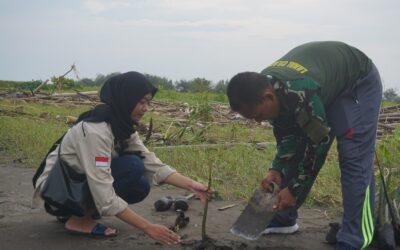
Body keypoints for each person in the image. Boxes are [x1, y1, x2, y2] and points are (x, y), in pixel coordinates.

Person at [227, 41, 382, 250]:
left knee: (353, 158)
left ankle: (355, 239)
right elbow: (287, 137)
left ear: (268, 97)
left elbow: (318, 144)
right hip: (323, 85)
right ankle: (283, 218)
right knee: (296, 150)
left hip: (355, 83)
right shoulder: (264, 86)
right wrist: (276, 169)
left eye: (258, 116)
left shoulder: (301, 93)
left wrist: (294, 189)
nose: (258, 121)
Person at [32, 71, 212, 244]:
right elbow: (104, 192)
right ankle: (78, 220)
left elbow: (151, 163)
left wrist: (193, 186)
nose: (145, 108)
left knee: (140, 185)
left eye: (148, 102)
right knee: (132, 167)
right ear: (126, 98)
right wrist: (148, 227)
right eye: (141, 101)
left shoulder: (121, 125)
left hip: (78, 184)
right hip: (58, 191)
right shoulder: (96, 130)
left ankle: (80, 212)